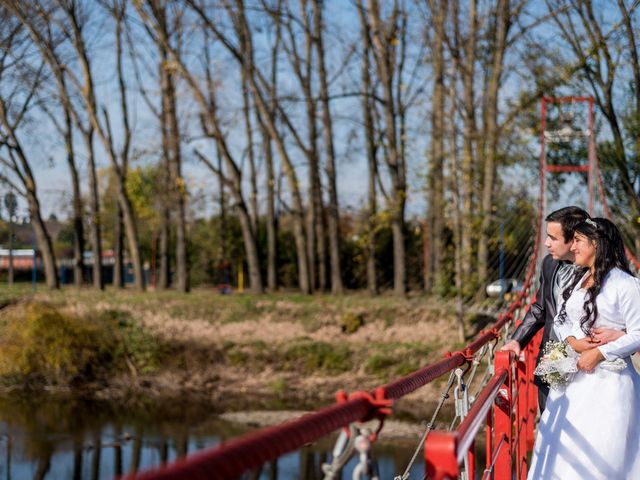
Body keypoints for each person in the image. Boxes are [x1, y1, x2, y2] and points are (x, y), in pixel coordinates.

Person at [527, 217, 640, 479]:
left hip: (610, 386)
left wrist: (599, 353)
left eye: (578, 241)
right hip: (572, 382)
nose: (573, 247)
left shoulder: (626, 285)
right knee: (561, 453)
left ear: (597, 244)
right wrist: (573, 343)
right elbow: (561, 320)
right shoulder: (580, 280)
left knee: (601, 456)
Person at [501, 206, 590, 411]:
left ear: (575, 240)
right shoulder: (549, 263)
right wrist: (517, 340)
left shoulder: (600, 270)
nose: (546, 243)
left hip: (587, 364)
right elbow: (540, 307)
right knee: (549, 429)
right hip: (552, 359)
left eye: (553, 238)